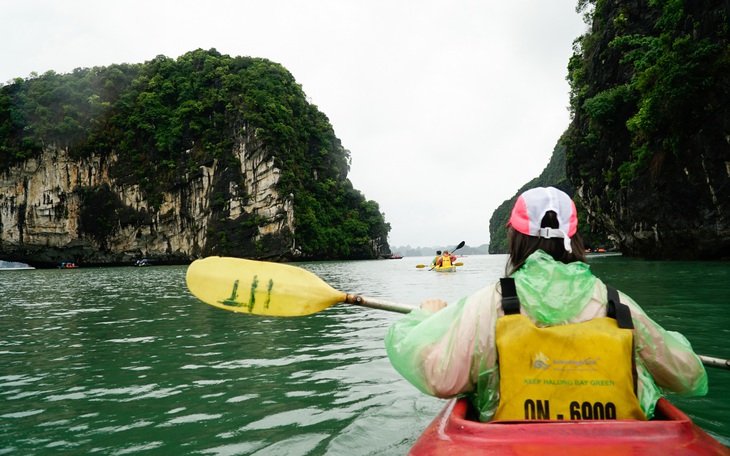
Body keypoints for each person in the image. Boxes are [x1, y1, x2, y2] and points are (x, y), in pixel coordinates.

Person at [385, 187, 707, 422]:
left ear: (515, 239)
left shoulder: (490, 304)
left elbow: (442, 379)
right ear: (574, 237)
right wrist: (668, 341)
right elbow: (688, 375)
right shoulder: (616, 305)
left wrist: (424, 320)